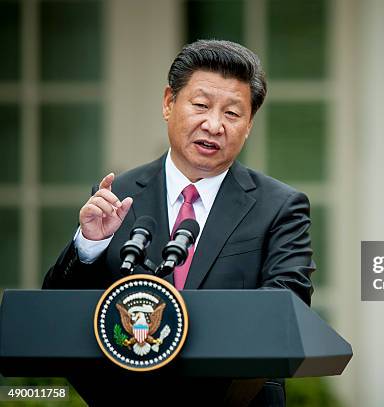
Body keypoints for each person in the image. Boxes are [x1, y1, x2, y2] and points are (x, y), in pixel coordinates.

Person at [43, 39, 315, 406]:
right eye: (201, 106)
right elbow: (56, 312)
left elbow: (287, 308)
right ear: (169, 103)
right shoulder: (117, 196)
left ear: (249, 124)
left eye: (233, 114)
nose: (214, 125)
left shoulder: (280, 207)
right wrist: (88, 246)